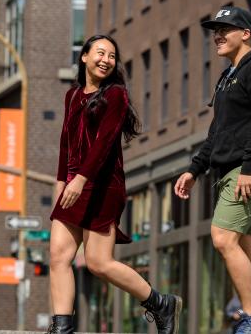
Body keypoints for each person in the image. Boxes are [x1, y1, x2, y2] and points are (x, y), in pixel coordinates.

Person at [48, 35, 182, 334]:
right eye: (100, 53)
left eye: (111, 55)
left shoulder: (116, 95)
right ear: (84, 57)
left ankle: (161, 303)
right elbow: (66, 143)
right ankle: (62, 328)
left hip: (102, 187)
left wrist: (80, 180)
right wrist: (60, 182)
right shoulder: (72, 95)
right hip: (72, 186)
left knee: (98, 263)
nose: (106, 59)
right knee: (58, 255)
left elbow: (105, 143)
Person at [174, 6, 251, 334]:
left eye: (226, 29)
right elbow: (219, 131)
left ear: (245, 33)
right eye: (215, 31)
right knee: (249, 250)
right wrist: (194, 169)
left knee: (222, 238)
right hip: (233, 168)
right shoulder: (229, 76)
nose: (217, 36)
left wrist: (249, 167)